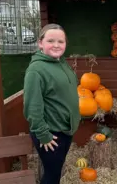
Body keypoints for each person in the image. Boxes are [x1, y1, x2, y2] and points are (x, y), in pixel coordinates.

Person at [23, 23, 81, 184]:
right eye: (50, 41)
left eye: (60, 41)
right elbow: (32, 107)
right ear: (40, 43)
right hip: (51, 134)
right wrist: (43, 135)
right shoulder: (36, 70)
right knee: (52, 176)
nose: (56, 45)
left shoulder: (61, 63)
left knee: (56, 171)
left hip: (64, 130)